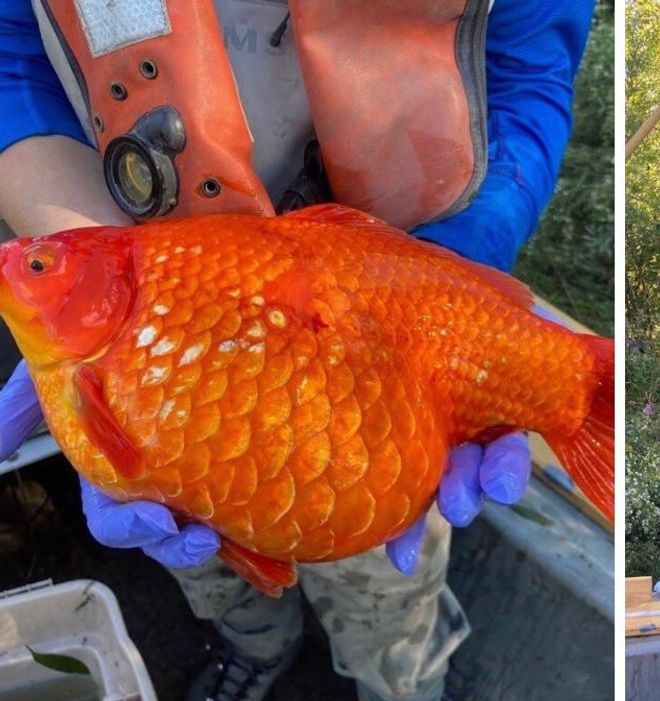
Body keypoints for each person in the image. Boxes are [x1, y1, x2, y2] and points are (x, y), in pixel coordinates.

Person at [0, 2, 597, 700]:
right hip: (149, 258)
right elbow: (12, 50)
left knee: (388, 594)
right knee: (199, 552)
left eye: (34, 264)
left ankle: (399, 683)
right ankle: (258, 648)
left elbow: (525, 81)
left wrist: (436, 288)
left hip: (381, 344)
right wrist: (74, 243)